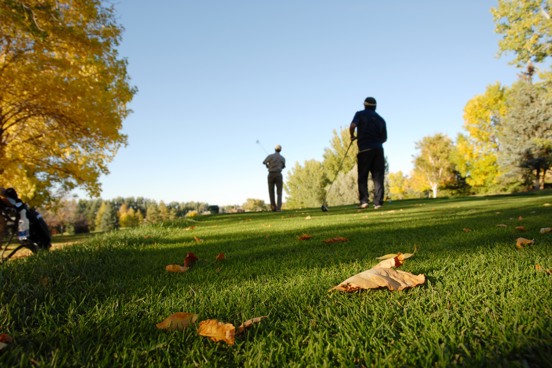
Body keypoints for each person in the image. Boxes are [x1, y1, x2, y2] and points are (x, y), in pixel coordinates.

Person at [349, 97, 387, 209]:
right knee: (378, 177)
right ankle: (378, 203)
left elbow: (352, 126)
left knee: (362, 176)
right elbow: (384, 138)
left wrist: (352, 136)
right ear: (375, 106)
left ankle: (364, 201)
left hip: (365, 149)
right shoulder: (381, 119)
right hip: (378, 150)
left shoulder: (359, 114)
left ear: (364, 105)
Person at [262, 145, 286, 211]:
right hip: (278, 174)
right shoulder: (283, 158)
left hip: (271, 174)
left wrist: (268, 166)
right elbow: (283, 167)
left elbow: (264, 162)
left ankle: (273, 208)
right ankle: (278, 208)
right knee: (279, 192)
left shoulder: (270, 156)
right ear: (280, 150)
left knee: (271, 191)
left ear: (274, 149)